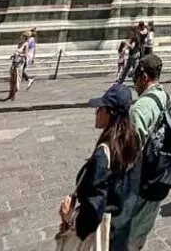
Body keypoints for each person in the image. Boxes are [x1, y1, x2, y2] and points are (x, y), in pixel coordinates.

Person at [58, 83, 141, 251]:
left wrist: (69, 217)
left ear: (110, 113)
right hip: (122, 231)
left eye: (100, 108)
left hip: (103, 237)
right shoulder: (133, 141)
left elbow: (93, 209)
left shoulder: (104, 154)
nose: (97, 112)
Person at [125, 54, 171, 251]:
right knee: (141, 230)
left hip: (141, 182)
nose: (134, 83)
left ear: (144, 77)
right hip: (160, 178)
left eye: (135, 78)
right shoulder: (166, 97)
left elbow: (130, 152)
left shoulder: (140, 108)